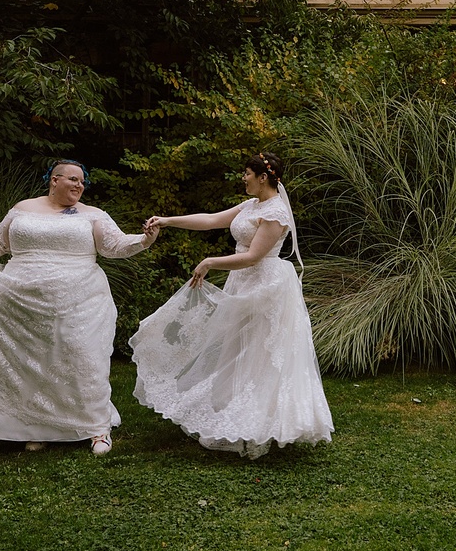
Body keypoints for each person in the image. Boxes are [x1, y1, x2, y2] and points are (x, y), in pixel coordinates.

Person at [0, 160, 157, 455]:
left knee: (81, 359)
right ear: (54, 180)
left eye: (82, 182)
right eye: (73, 180)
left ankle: (96, 428)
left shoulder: (93, 215)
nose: (79, 185)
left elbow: (114, 246)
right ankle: (38, 426)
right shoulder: (23, 208)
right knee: (30, 365)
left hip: (78, 299)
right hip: (18, 297)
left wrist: (145, 239)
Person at [131, 152, 334, 459]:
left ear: (262, 177)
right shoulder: (252, 205)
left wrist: (211, 262)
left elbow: (253, 256)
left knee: (259, 353)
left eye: (246, 174)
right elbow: (212, 220)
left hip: (265, 285)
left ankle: (259, 424)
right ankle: (233, 416)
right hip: (242, 281)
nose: (243, 178)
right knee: (236, 348)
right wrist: (168, 221)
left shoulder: (276, 212)